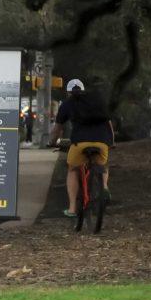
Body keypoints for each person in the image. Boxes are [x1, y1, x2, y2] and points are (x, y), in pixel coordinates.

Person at [48, 79, 114, 217]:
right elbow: (109, 124)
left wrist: (52, 141)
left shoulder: (68, 104)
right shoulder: (97, 101)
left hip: (80, 142)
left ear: (68, 92)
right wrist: (111, 142)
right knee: (102, 164)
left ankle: (72, 208)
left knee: (72, 169)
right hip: (101, 141)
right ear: (83, 90)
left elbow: (58, 128)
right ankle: (105, 187)